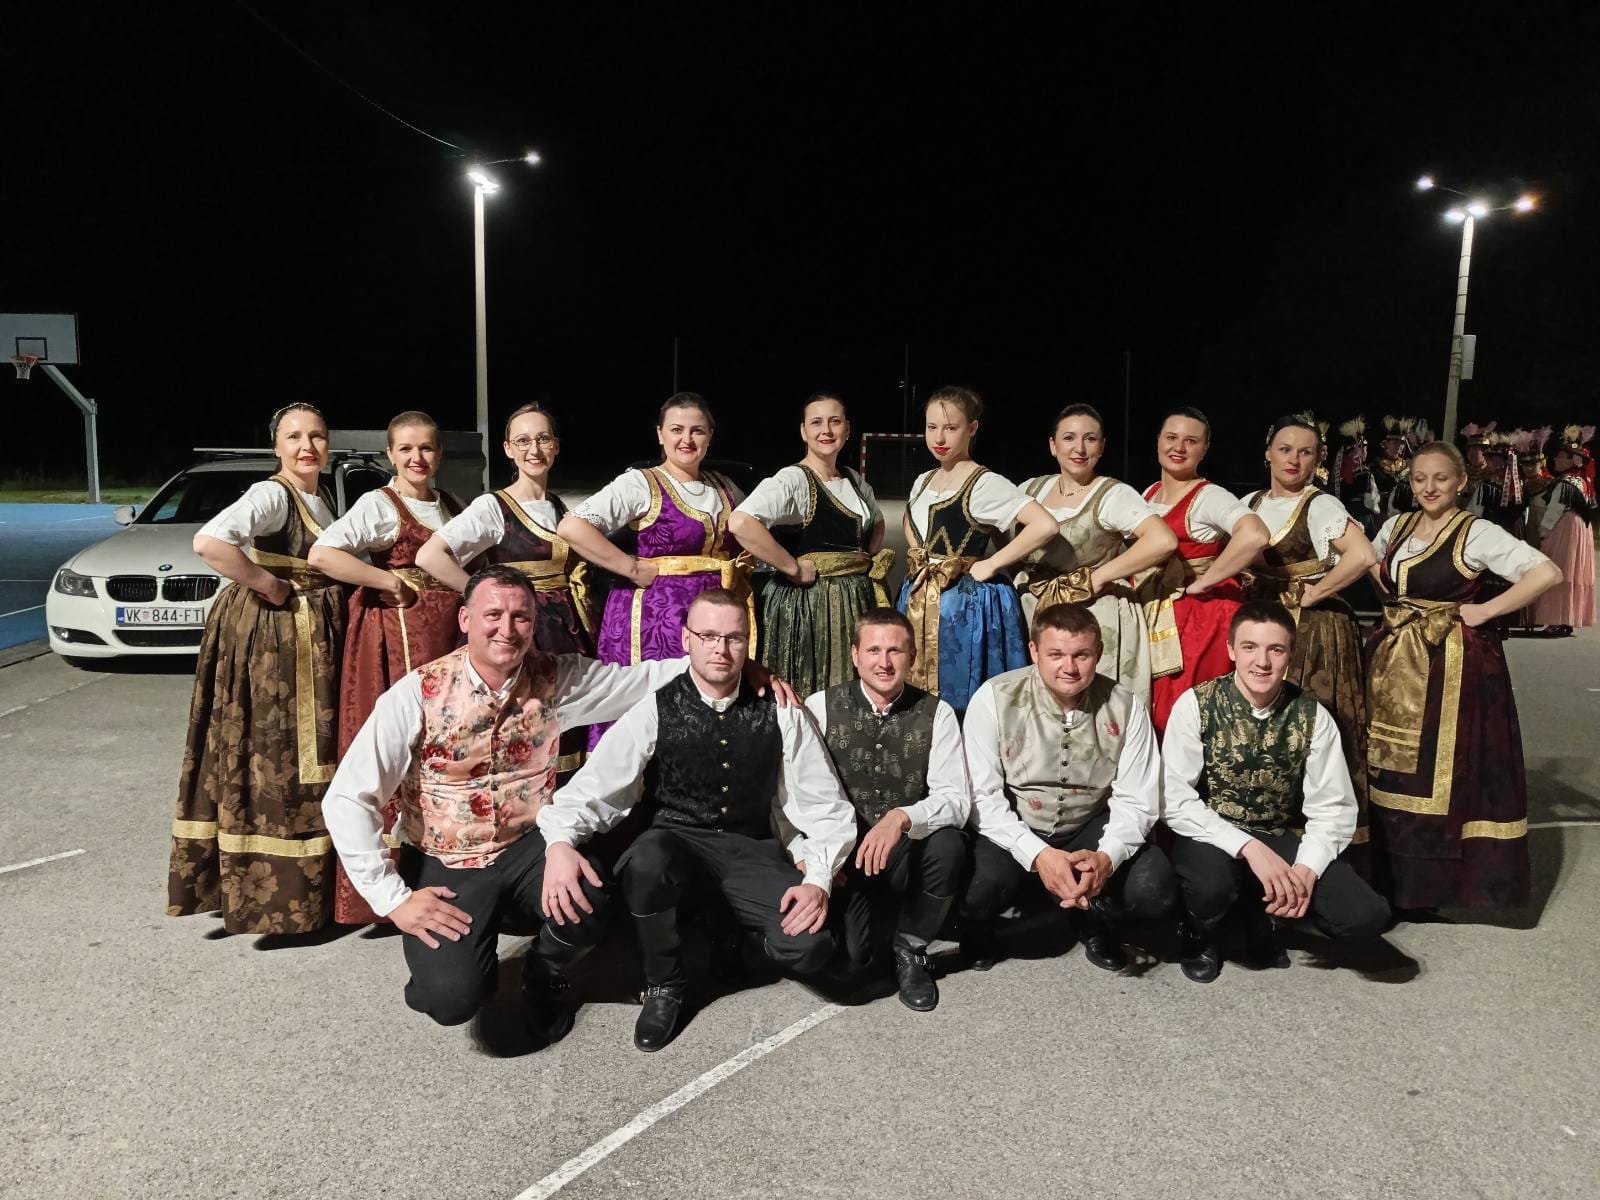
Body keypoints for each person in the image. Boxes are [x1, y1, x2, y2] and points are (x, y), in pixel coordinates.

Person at [320, 567, 762, 1043]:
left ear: (534, 622)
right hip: (449, 861)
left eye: (521, 617)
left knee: (591, 898)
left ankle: (544, 973)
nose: (507, 629)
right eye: (493, 615)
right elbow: (348, 798)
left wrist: (739, 669)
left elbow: (643, 680)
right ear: (465, 619)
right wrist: (395, 901)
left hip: (530, 849)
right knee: (451, 999)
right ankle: (441, 975)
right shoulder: (416, 693)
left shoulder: (558, 678)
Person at [537, 589, 856, 1052]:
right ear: (686, 639)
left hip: (749, 847)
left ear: (748, 644)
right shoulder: (655, 707)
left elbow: (825, 804)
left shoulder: (782, 710)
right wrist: (560, 842)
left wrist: (819, 879)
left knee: (809, 947)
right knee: (646, 863)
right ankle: (664, 983)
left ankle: (732, 935)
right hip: (676, 843)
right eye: (708, 636)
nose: (720, 649)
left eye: (733, 638)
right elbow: (595, 788)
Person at [168, 403, 346, 934]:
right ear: (276, 446)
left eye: (316, 436)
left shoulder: (320, 496)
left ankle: (312, 893)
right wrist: (268, 584)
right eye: (294, 437)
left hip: (303, 636)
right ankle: (273, 898)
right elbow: (210, 543)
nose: (307, 446)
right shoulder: (273, 495)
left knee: (295, 752)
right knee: (275, 751)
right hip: (276, 640)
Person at [1366, 441, 1562, 912]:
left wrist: (1486, 611)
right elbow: (1368, 565)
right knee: (1391, 764)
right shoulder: (1395, 526)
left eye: (1440, 478)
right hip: (1397, 659)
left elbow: (1547, 573)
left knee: (1438, 770)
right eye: (1419, 479)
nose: (1429, 487)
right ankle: (1389, 879)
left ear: (1460, 482)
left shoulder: (1476, 532)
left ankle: (1433, 887)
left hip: (1448, 666)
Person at [1162, 601, 1392, 983]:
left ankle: (1259, 911)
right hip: (1211, 832)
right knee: (1210, 885)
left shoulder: (1313, 715)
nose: (1262, 662)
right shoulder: (1196, 704)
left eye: (1276, 649)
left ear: (1291, 654)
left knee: (1364, 917)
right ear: (1231, 650)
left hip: (1277, 831)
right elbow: (1175, 799)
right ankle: (1200, 932)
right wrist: (1249, 849)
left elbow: (1333, 807)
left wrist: (1305, 870)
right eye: (1250, 647)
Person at [959, 602, 1175, 973]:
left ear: (1099, 653)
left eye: (1081, 655)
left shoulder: (1126, 705)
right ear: (1034, 651)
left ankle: (1095, 920)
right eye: (1056, 654)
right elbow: (983, 797)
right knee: (980, 885)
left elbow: (1137, 800)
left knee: (1153, 888)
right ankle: (982, 926)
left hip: (1088, 824)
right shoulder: (994, 696)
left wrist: (1106, 858)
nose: (1069, 668)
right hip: (1018, 823)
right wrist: (1038, 855)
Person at [308, 411, 464, 925]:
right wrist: (386, 580)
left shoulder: (451, 503)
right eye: (406, 449)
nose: (417, 458)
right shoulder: (380, 504)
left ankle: (445, 869)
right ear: (390, 455)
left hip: (448, 638)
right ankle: (388, 891)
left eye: (426, 448)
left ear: (439, 454)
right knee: (399, 747)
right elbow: (323, 554)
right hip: (398, 638)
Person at [795, 608, 971, 1011]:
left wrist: (901, 817)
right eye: (874, 650)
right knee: (854, 963)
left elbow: (957, 800)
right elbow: (792, 793)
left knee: (949, 843)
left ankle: (911, 947)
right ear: (855, 655)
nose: (884, 662)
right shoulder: (820, 706)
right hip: (842, 860)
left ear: (912, 657)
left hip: (902, 854)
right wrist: (812, 858)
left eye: (895, 651)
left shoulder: (937, 712)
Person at [556, 393, 748, 745]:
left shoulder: (725, 487)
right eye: (676, 430)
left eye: (697, 431)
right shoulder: (641, 484)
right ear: (660, 434)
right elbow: (572, 527)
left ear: (710, 436)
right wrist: (629, 567)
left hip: (711, 619)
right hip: (651, 620)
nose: (686, 439)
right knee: (650, 709)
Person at [415, 403, 593, 780]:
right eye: (523, 441)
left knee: (564, 732)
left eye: (543, 439)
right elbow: (429, 555)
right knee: (522, 730)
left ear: (556, 446)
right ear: (508, 449)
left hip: (565, 631)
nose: (534, 449)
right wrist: (485, 598)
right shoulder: (494, 507)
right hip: (521, 635)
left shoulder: (560, 507)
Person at [1243, 414, 1378, 854]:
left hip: (1314, 634)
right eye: (1285, 449)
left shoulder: (1321, 506)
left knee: (1311, 728)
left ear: (1317, 458)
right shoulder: (1249, 503)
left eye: (1305, 452)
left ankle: (1318, 842)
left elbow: (1362, 555)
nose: (1294, 460)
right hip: (1264, 622)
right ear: (1268, 452)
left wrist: (1315, 592)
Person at [898, 386, 1057, 714]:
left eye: (951, 428)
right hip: (920, 598)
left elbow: (1045, 525)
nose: (939, 438)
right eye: (932, 427)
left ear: (972, 428)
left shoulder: (985, 483)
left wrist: (992, 563)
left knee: (961, 692)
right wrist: (920, 557)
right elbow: (910, 522)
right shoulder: (924, 480)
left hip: (964, 607)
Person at [727, 391, 892, 697]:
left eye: (834, 421)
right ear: (803, 431)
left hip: (856, 600)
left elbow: (877, 523)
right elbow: (741, 522)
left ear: (847, 429)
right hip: (813, 608)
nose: (826, 430)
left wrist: (863, 559)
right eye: (816, 423)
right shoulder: (795, 479)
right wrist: (792, 567)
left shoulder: (854, 479)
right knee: (815, 684)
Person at [1013, 403, 1176, 706]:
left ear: (1101, 447)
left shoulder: (1113, 494)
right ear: (1053, 445)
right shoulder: (1030, 489)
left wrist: (1100, 576)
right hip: (1031, 605)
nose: (1079, 448)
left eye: (1090, 439)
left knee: (1092, 703)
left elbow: (1162, 540)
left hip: (1092, 610)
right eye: (1069, 438)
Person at [1140, 407, 1269, 733]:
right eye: (1171, 437)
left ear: (1205, 449)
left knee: (1184, 711)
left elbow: (1254, 535)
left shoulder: (1209, 496)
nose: (1179, 447)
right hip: (1156, 608)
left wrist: (1204, 582)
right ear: (1158, 441)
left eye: (1191, 441)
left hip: (1197, 618)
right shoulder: (1149, 493)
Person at [1529, 426, 1596, 634]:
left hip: (1565, 528)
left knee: (1559, 569)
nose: (1556, 458)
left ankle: (1556, 619)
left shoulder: (1565, 482)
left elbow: (1554, 510)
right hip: (1580, 529)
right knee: (1572, 571)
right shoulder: (1583, 481)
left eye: (1560, 455)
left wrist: (1543, 532)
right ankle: (1567, 617)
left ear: (1571, 460)